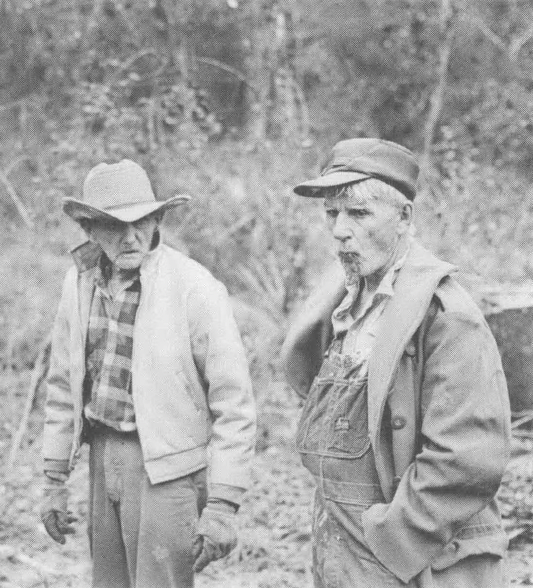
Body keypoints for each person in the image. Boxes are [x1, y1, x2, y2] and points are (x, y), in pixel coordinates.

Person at [282, 138, 511, 587]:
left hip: (404, 559)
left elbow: (467, 458)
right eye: (332, 214)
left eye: (359, 213)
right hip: (336, 543)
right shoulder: (343, 301)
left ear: (404, 217)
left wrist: (392, 540)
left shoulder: (447, 317)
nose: (340, 230)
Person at [40, 159, 256, 588]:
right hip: (103, 458)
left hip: (168, 471)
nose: (130, 236)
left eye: (141, 221)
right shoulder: (79, 284)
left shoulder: (194, 287)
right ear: (88, 228)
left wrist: (224, 504)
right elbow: (63, 387)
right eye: (112, 225)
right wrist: (53, 480)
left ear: (158, 219)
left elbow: (235, 403)